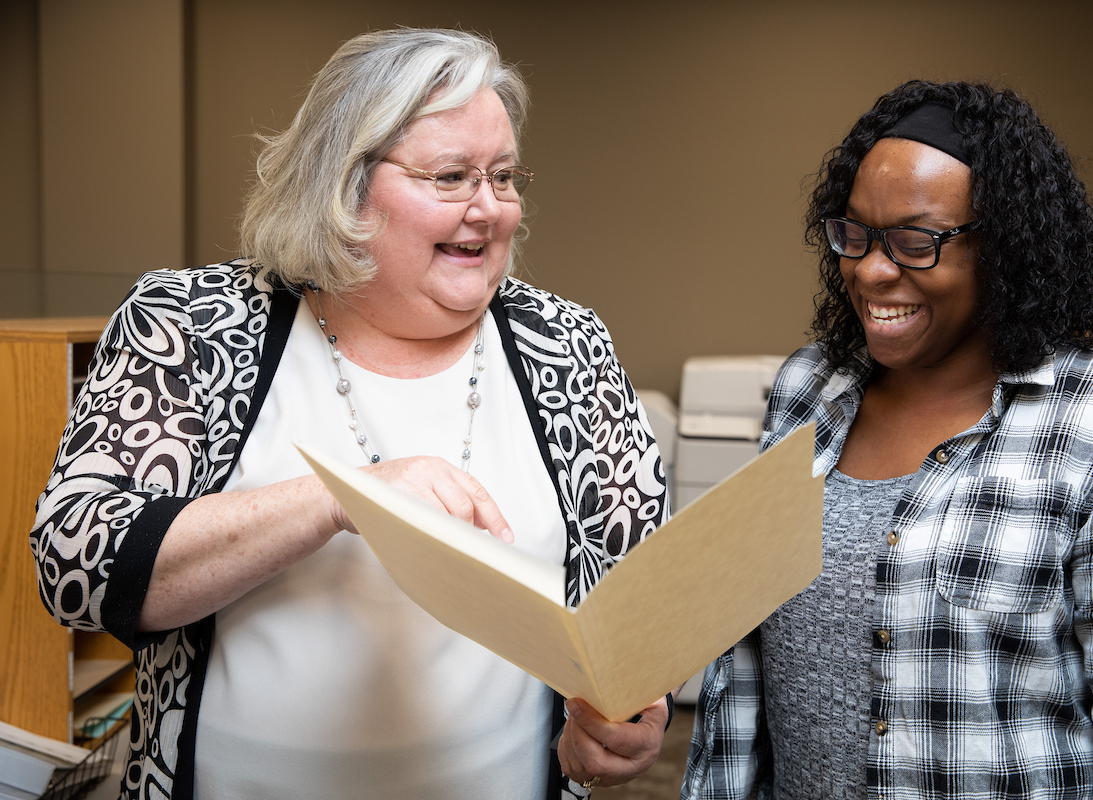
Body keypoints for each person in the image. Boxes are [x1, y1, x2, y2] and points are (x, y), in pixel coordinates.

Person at [30, 28, 672, 800]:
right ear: (341, 183)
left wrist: (628, 709)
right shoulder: (191, 325)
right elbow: (77, 564)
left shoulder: (566, 343)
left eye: (504, 177)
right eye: (450, 176)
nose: (490, 209)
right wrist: (341, 497)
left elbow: (639, 586)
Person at [681, 80, 1093, 799]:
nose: (870, 269)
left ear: (1008, 251)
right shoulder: (811, 388)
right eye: (853, 234)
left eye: (915, 241)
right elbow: (742, 677)